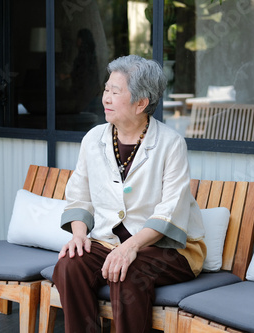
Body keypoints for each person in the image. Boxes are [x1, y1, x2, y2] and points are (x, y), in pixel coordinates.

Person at [52, 55, 206, 333]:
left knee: (129, 271)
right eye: (106, 89)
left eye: (115, 91)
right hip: (107, 242)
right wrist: (78, 236)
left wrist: (130, 246)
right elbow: (79, 196)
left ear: (141, 103)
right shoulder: (93, 139)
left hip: (167, 248)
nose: (106, 98)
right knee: (69, 265)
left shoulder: (171, 144)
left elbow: (169, 209)